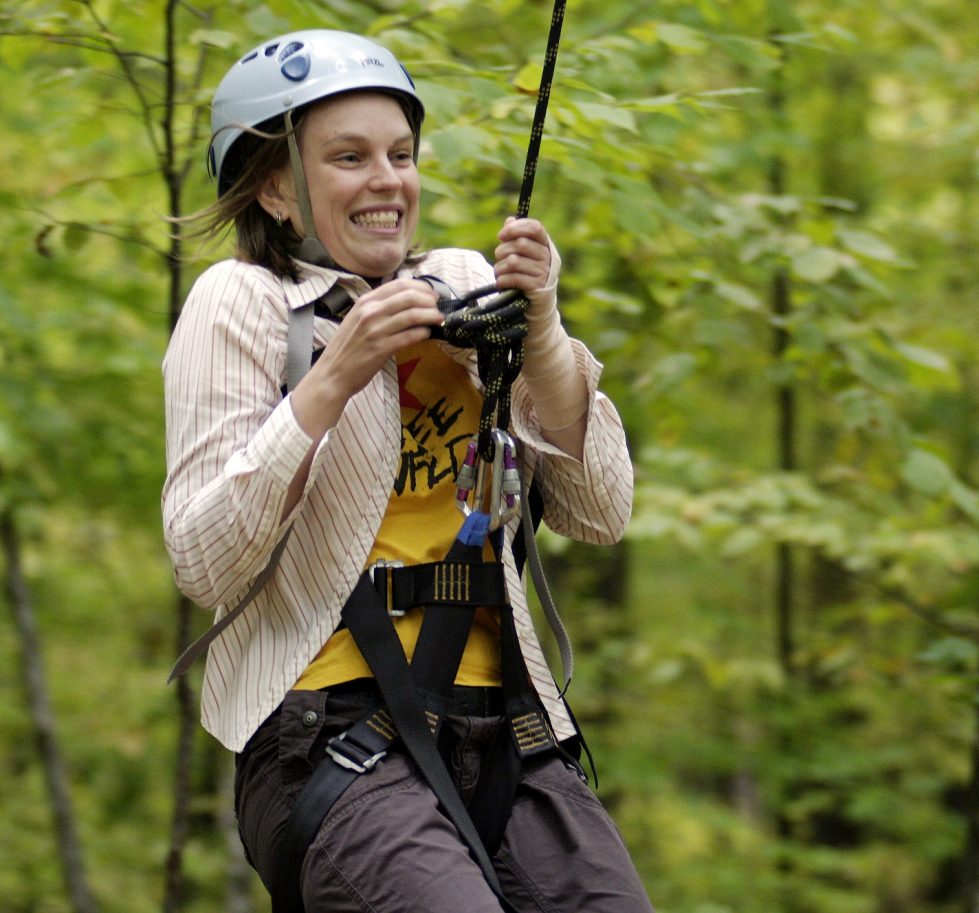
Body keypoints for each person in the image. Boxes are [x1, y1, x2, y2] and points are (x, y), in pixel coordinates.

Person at [162, 29, 651, 913]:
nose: (388, 179)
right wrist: (334, 375)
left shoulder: (465, 284)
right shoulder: (242, 302)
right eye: (348, 158)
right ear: (274, 187)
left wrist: (541, 333)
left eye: (400, 154)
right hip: (325, 732)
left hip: (508, 724)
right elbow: (204, 561)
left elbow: (601, 508)